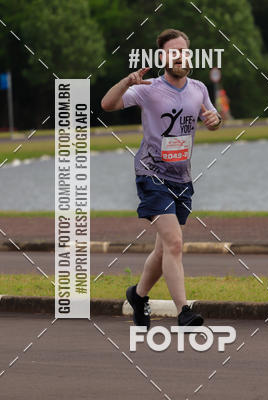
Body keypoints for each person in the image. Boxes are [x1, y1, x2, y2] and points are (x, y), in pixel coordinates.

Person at [101, 29, 222, 327]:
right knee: (175, 243)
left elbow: (213, 120)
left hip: (182, 178)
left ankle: (138, 295)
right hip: (151, 174)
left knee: (164, 248)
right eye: (174, 52)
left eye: (185, 52)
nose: (181, 57)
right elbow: (107, 104)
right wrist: (127, 82)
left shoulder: (198, 89)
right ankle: (184, 311)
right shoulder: (149, 89)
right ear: (163, 58)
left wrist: (215, 120)